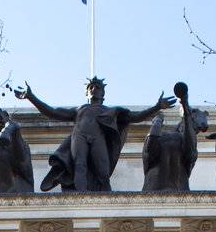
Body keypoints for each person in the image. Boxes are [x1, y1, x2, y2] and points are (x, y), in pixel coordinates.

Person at [14, 77, 175, 192]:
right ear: (87, 93)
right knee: (80, 164)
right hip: (80, 137)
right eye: (91, 87)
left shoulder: (111, 111)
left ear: (103, 94)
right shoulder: (79, 110)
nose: (94, 89)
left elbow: (135, 117)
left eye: (98, 87)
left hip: (98, 138)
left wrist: (156, 107)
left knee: (102, 169)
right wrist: (31, 97)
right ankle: (81, 195)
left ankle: (104, 196)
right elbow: (52, 112)